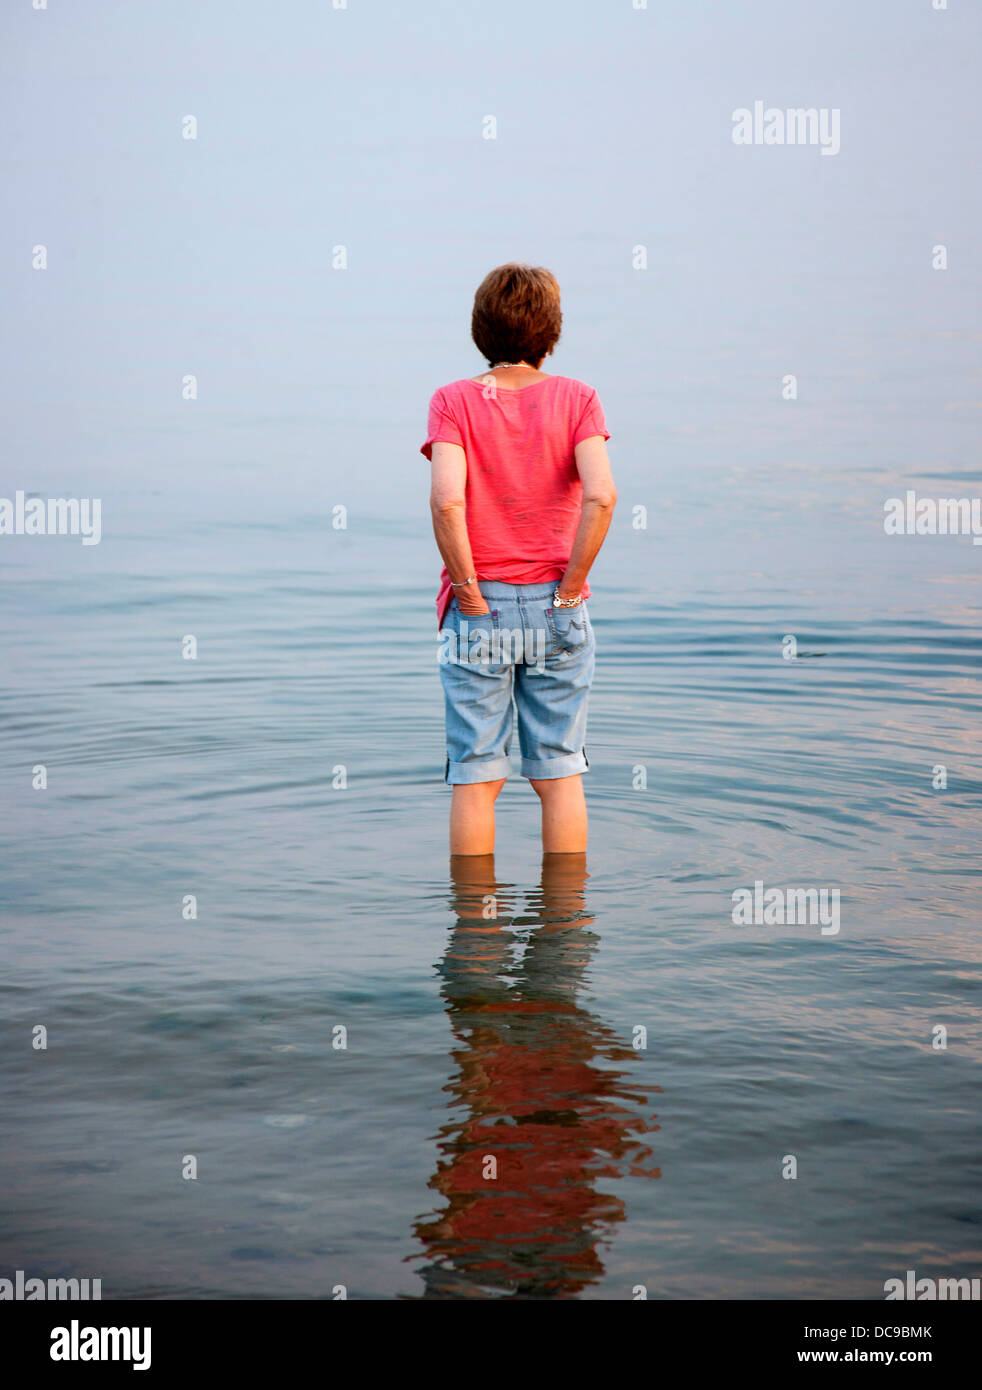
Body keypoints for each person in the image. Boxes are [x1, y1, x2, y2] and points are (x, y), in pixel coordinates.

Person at [421, 263, 616, 855]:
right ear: (550, 331)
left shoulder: (454, 400)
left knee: (476, 776)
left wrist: (470, 593)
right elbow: (602, 496)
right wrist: (568, 588)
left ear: (480, 330)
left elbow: (447, 501)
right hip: (559, 602)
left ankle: (475, 938)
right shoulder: (579, 398)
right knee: (559, 774)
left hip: (482, 606)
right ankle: (562, 928)